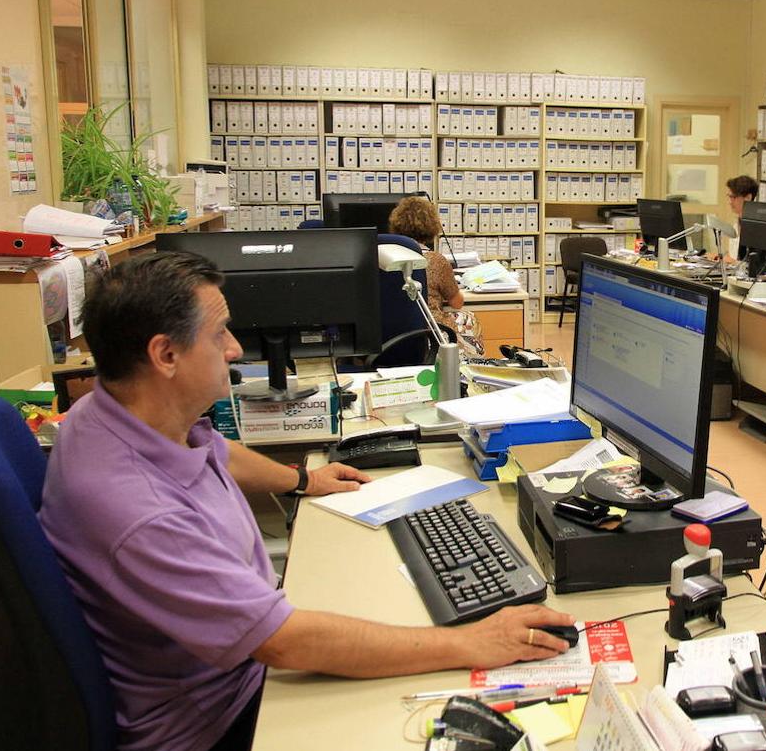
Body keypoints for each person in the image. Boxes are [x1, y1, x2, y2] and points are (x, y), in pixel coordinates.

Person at [39, 252, 573, 751]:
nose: (233, 348)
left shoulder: (112, 413)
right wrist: (472, 644)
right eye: (219, 332)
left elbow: (214, 450)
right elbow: (285, 643)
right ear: (166, 354)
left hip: (238, 667)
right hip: (223, 720)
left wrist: (302, 481)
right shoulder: (139, 511)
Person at [388, 196, 484, 356]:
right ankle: (472, 368)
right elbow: (457, 302)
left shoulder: (384, 258)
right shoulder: (436, 260)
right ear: (431, 226)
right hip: (430, 332)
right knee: (469, 318)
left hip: (393, 331)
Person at [716, 175, 759, 263]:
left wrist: (730, 261)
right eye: (729, 196)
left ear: (748, 197)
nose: (730, 202)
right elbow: (734, 256)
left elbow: (751, 265)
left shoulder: (757, 228)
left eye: (734, 197)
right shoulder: (736, 224)